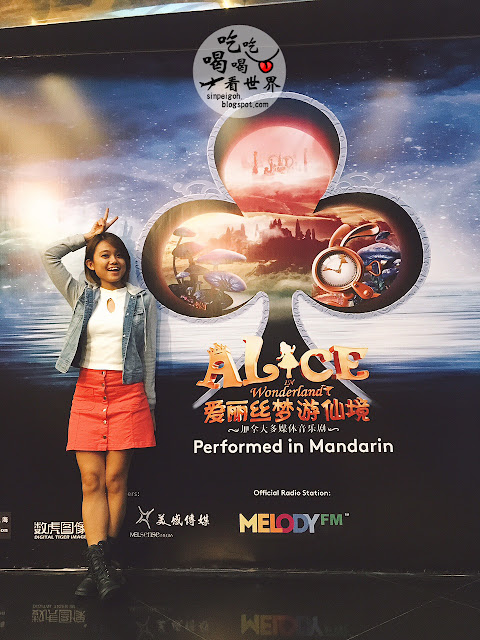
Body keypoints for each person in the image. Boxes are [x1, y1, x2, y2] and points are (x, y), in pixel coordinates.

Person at [42, 209, 157, 601]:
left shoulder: (141, 300)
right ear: (91, 263)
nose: (114, 261)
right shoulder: (81, 294)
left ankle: (100, 570)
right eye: (105, 255)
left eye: (119, 254)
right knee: (91, 480)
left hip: (128, 391)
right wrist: (87, 237)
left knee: (115, 480)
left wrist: (149, 403)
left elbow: (149, 355)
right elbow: (49, 255)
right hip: (89, 391)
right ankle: (104, 570)